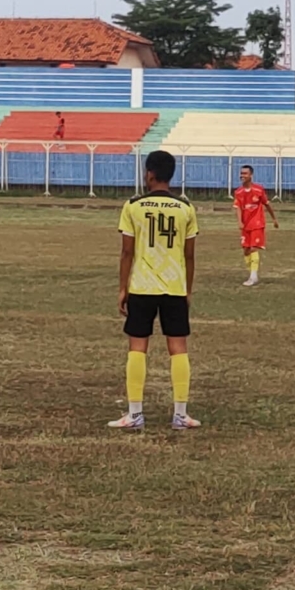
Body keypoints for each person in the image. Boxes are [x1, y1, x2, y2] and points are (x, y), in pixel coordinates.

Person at [114, 149, 199, 430]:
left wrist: (122, 288)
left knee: (138, 348)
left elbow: (127, 252)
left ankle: (135, 414)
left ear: (149, 174)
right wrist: (187, 289)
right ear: (170, 175)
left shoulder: (133, 206)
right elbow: (189, 255)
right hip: (174, 287)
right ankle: (180, 414)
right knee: (178, 348)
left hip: (142, 286)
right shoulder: (186, 208)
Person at [233, 164, 277, 287]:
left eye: (245, 173)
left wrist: (274, 219)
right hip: (245, 225)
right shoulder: (239, 192)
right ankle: (252, 273)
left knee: (253, 248)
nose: (242, 175)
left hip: (257, 223)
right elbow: (238, 208)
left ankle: (253, 276)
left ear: (251, 175)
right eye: (241, 173)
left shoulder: (258, 190)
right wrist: (240, 222)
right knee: (246, 250)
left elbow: (267, 204)